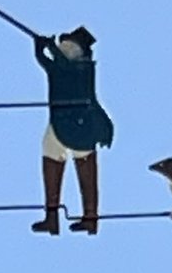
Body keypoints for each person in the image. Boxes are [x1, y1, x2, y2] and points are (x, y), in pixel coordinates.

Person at [32, 26, 114, 234]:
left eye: (66, 45)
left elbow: (62, 65)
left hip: (80, 125)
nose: (62, 47)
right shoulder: (62, 67)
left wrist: (49, 47)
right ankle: (52, 217)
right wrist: (40, 50)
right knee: (50, 152)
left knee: (84, 163)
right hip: (62, 123)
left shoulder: (82, 68)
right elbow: (51, 65)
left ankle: (90, 217)